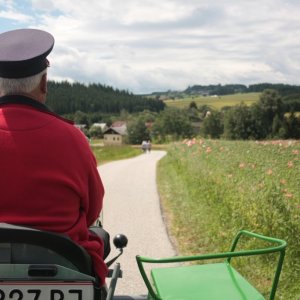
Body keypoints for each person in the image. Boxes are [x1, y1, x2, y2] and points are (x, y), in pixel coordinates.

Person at [0, 28, 109, 286]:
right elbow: (93, 210)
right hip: (63, 265)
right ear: (44, 83)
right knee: (100, 235)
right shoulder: (73, 138)